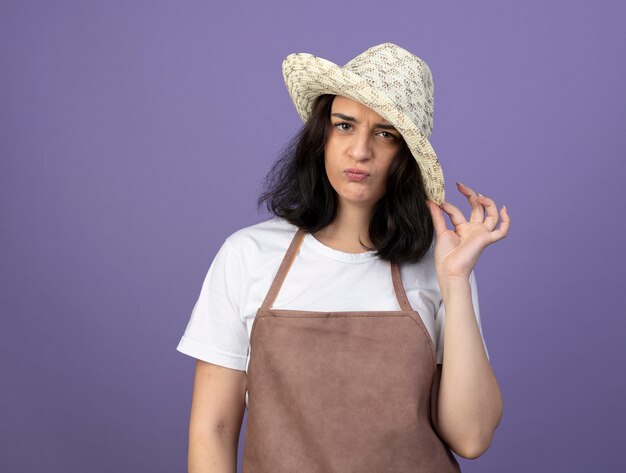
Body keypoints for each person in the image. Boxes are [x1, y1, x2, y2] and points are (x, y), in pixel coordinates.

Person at [176, 42, 510, 472]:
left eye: (385, 134)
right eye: (345, 125)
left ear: (405, 155)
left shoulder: (439, 264)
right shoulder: (248, 255)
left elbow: (472, 436)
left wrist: (457, 282)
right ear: (322, 135)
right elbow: (214, 429)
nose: (360, 151)